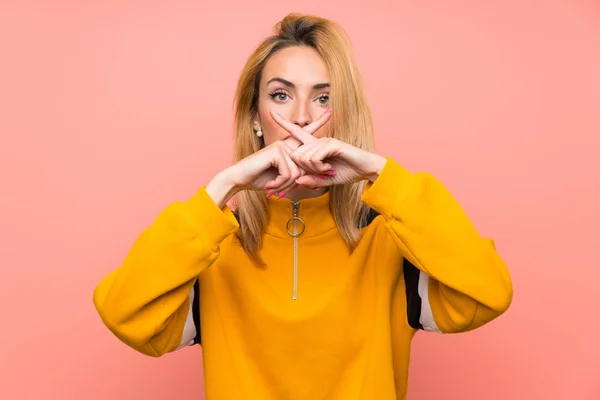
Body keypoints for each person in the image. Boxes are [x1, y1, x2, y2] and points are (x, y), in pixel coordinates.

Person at [93, 13, 513, 400]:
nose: (300, 116)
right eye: (280, 95)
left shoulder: (391, 238)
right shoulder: (209, 248)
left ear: (342, 115)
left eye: (323, 98)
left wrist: (383, 175)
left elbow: (489, 293)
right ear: (255, 117)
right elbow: (123, 314)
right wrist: (222, 187)